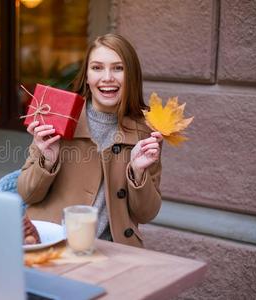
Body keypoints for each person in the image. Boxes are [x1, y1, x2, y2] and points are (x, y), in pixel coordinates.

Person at [17, 33, 163, 248]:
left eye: (118, 68)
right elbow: (27, 193)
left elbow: (146, 213)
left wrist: (138, 173)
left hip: (112, 250)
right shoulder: (58, 117)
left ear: (131, 75)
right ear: (86, 76)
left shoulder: (147, 131)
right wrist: (47, 160)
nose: (107, 77)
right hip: (54, 245)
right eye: (97, 68)